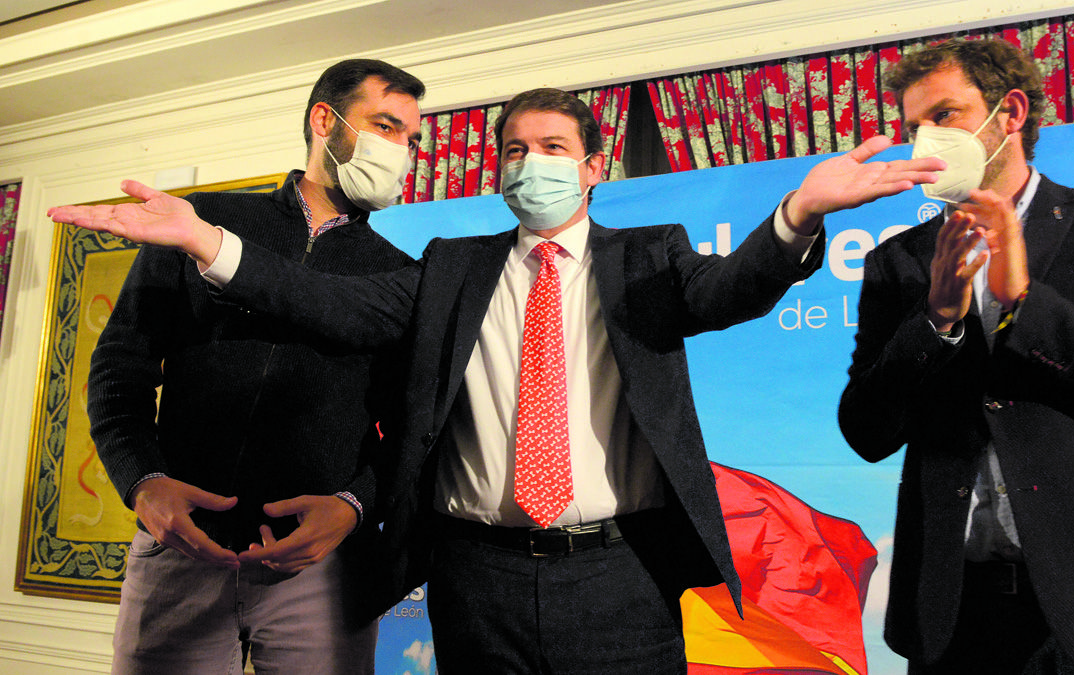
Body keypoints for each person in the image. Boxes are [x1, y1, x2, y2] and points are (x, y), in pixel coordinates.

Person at [50, 87, 942, 674]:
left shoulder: (651, 256)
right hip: (478, 581)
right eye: (513, 150)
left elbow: (733, 290)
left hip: (622, 578)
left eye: (553, 146)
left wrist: (798, 213)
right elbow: (329, 307)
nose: (530, 163)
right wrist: (210, 242)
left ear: (595, 167)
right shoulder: (450, 266)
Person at [838, 38, 1074, 675]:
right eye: (913, 128)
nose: (925, 143)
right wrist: (934, 322)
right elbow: (867, 432)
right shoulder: (896, 262)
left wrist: (1025, 303)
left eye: (943, 116)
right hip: (956, 613)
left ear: (1009, 113)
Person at [83, 59, 425, 674]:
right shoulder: (200, 222)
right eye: (386, 126)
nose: (402, 150)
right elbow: (119, 370)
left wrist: (353, 504)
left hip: (320, 569)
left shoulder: (400, 274)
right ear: (327, 119)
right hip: (180, 553)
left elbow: (409, 424)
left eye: (411, 138)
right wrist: (142, 481)